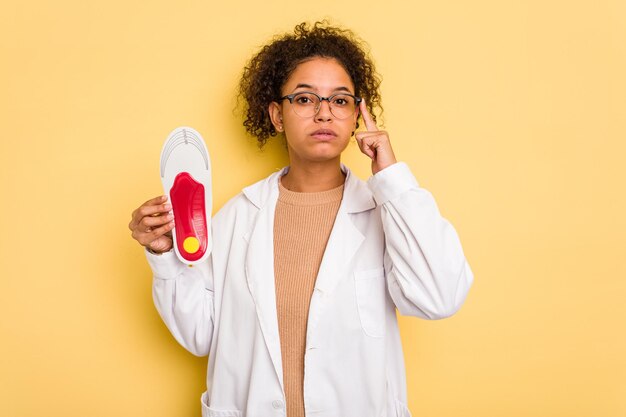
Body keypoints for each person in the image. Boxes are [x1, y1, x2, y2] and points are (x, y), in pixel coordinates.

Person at [129, 21, 474, 417]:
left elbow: (440, 296)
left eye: (341, 101)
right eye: (306, 99)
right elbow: (198, 335)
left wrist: (392, 179)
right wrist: (164, 255)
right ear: (277, 115)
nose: (324, 113)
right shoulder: (237, 218)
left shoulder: (387, 214)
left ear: (358, 117)